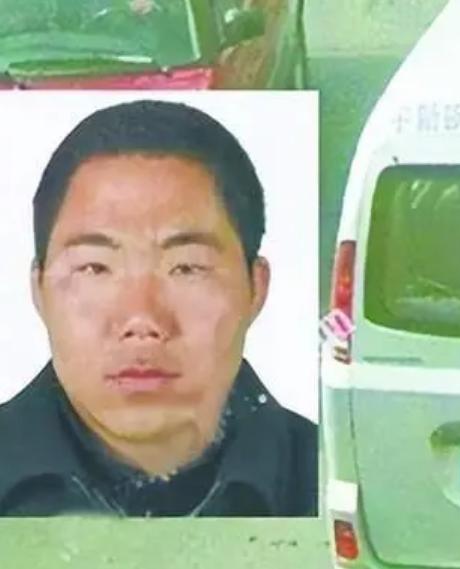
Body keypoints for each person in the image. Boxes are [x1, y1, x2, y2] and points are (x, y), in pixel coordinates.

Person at [0, 100, 318, 517]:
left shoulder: (339, 481)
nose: (141, 320)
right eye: (95, 268)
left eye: (186, 268)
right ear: (38, 290)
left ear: (256, 289)